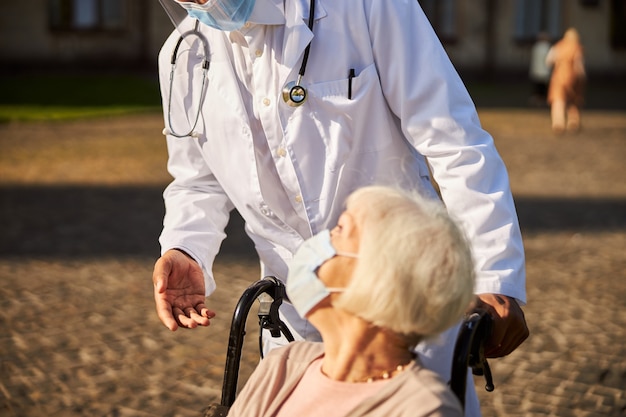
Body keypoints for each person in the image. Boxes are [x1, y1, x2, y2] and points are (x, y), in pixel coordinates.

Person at [152, 1, 529, 414]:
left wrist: (493, 275)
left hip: (402, 297)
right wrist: (186, 246)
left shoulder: (366, 7)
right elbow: (197, 180)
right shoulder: (182, 55)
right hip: (296, 310)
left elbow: (453, 141)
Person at [227, 185, 476, 417]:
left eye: (339, 231)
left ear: (377, 276)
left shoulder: (424, 408)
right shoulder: (283, 364)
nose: (317, 243)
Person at [545, 28, 586, 134]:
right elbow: (579, 64)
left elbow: (549, 60)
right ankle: (573, 121)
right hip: (573, 77)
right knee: (573, 100)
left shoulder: (558, 46)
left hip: (558, 76)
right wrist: (582, 76)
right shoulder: (577, 47)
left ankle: (558, 122)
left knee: (558, 100)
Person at [528, 32, 552, 106]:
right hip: (545, 71)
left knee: (537, 87)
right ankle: (543, 100)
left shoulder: (536, 47)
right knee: (544, 88)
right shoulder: (548, 47)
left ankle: (537, 100)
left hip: (536, 70)